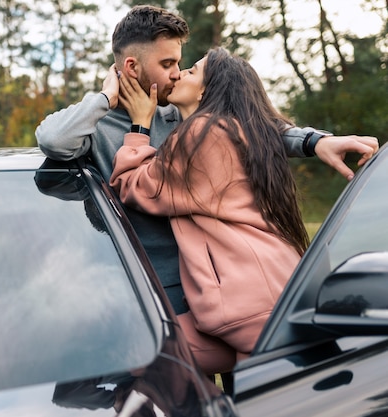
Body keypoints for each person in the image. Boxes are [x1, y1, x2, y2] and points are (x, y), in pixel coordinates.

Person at [35, 5, 379, 317]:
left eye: (179, 63)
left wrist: (314, 142)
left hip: (215, 278)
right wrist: (107, 97)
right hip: (144, 282)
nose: (176, 73)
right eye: (167, 64)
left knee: (243, 375)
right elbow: (52, 140)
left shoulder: (180, 112)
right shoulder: (94, 124)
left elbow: (250, 124)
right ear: (130, 66)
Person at [109, 46, 311, 375]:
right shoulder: (241, 131)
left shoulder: (200, 135)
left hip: (248, 308)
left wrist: (140, 125)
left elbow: (133, 186)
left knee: (139, 350)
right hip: (279, 291)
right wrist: (316, 141)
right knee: (143, 350)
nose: (179, 73)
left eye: (192, 71)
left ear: (206, 89)